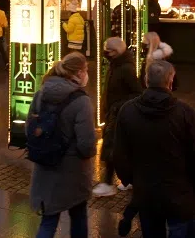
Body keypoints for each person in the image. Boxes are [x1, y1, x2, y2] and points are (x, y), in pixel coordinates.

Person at [114, 60, 195, 238]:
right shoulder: (185, 113)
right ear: (171, 80)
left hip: (146, 195)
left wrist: (133, 180)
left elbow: (120, 155)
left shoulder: (127, 111)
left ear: (146, 80)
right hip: (181, 196)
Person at [28, 52, 96, 238]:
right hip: (74, 172)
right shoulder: (81, 101)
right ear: (79, 73)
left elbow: (29, 127)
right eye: (86, 70)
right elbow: (86, 144)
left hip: (45, 166)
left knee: (48, 221)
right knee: (78, 216)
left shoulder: (41, 93)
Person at [93, 37, 142, 198]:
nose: (105, 53)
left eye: (108, 50)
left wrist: (117, 106)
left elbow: (136, 92)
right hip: (114, 113)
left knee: (111, 148)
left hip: (118, 115)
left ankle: (108, 183)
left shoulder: (125, 68)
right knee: (119, 148)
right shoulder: (116, 65)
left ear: (116, 51)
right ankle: (129, 180)